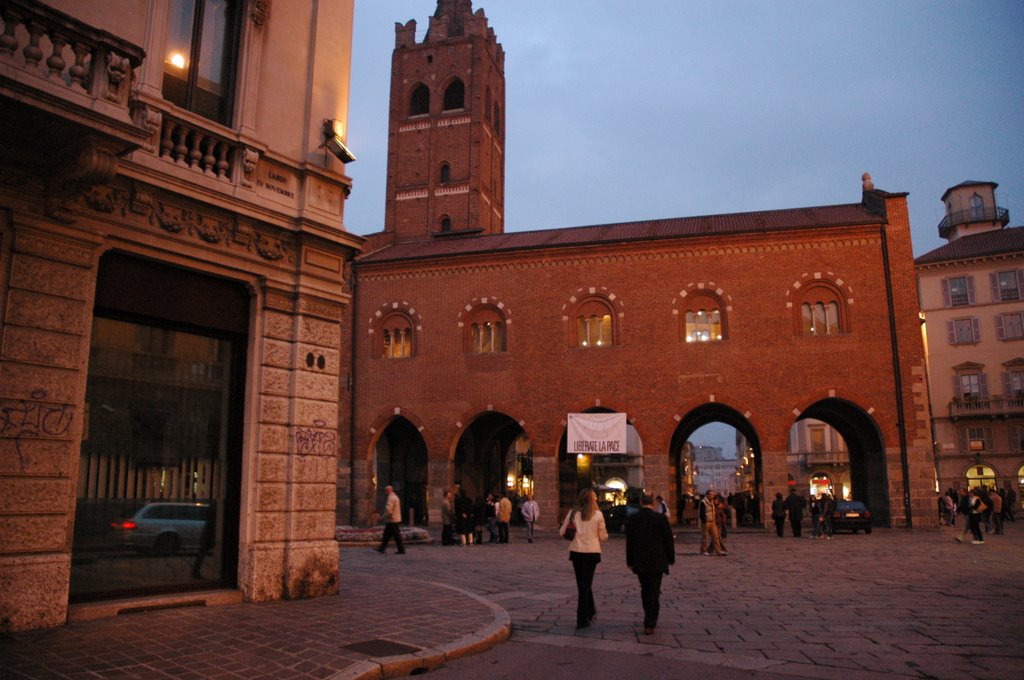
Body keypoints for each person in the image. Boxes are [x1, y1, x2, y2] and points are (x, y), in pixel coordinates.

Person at [625, 493, 675, 635]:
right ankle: (650, 621)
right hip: (657, 560)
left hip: (640, 561)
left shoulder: (633, 519)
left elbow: (630, 543)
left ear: (641, 502)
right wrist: (670, 558)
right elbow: (668, 541)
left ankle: (649, 616)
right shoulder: (661, 519)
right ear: (653, 503)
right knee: (654, 589)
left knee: (645, 588)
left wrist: (630, 561)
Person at [560, 488, 608, 629]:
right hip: (592, 552)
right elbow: (603, 537)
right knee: (585, 585)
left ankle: (590, 610)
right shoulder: (598, 515)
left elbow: (562, 532)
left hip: (576, 552)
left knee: (583, 584)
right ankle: (582, 619)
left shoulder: (573, 513)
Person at [376, 485, 405, 554]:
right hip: (395, 519)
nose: (385, 492)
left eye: (385, 491)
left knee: (394, 535)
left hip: (392, 519)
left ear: (388, 490)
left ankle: (400, 549)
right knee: (389, 535)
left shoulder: (391, 498)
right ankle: (382, 548)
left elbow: (388, 510)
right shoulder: (396, 497)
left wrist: (382, 517)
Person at [699, 490, 727, 556]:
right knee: (705, 537)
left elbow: (720, 505)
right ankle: (703, 551)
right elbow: (701, 513)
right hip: (706, 522)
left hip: (713, 522)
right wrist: (704, 521)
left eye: (713, 494)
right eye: (711, 494)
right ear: (707, 495)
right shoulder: (703, 502)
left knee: (716, 537)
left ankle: (718, 551)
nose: (713, 496)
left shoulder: (712, 502)